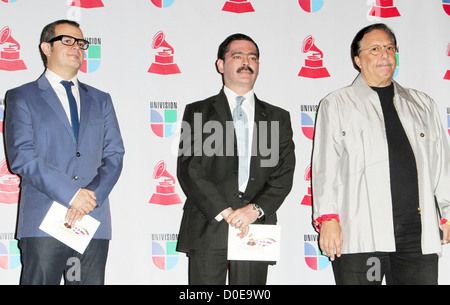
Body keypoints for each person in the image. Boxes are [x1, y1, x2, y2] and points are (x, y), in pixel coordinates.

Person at [312, 23, 450, 285]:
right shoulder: (337, 104)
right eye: (374, 49)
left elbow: (442, 163)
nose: (385, 54)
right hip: (362, 235)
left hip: (416, 236)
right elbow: (324, 168)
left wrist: (447, 212)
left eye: (390, 48)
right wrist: (328, 218)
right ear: (357, 59)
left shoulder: (422, 104)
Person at [4, 19, 125, 285]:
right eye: (67, 41)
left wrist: (89, 198)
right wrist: (71, 195)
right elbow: (22, 157)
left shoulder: (101, 99)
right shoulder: (22, 97)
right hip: (43, 220)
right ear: (46, 48)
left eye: (81, 43)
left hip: (92, 220)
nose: (77, 48)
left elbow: (114, 154)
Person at [176, 33, 295, 285]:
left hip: (256, 225)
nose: (246, 62)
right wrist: (225, 211)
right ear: (221, 65)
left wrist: (254, 209)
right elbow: (190, 168)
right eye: (237, 56)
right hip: (208, 222)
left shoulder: (277, 117)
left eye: (252, 57)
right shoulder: (198, 111)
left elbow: (284, 173)